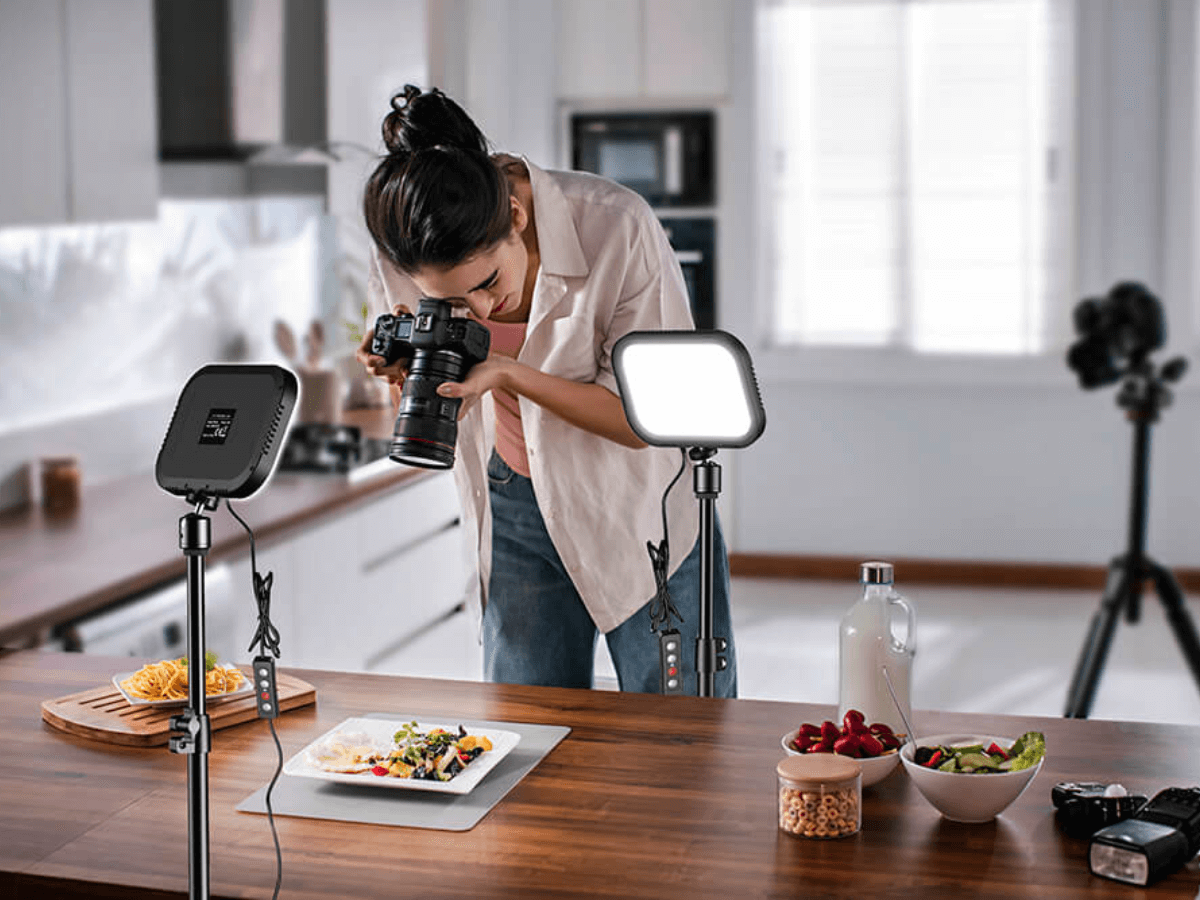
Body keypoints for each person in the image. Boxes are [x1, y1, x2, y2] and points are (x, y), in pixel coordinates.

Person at [357, 85, 736, 696]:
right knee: (528, 734)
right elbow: (427, 362)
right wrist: (398, 366)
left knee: (686, 732)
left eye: (487, 283)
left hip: (641, 505)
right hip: (514, 501)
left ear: (516, 216)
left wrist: (508, 374)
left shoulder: (615, 225)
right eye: (454, 301)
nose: (480, 309)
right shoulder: (408, 245)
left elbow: (646, 420)